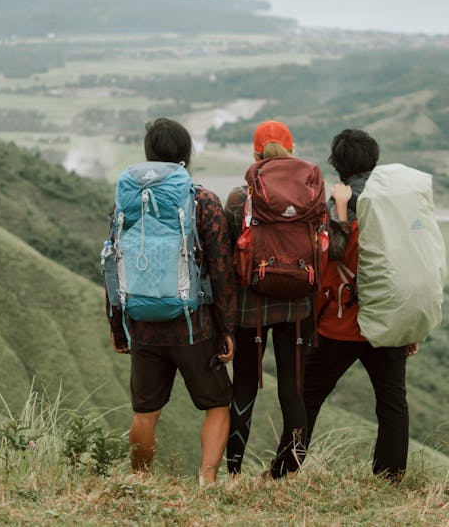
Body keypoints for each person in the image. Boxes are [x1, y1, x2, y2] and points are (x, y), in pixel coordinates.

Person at [106, 117, 237, 485]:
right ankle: (207, 482)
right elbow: (222, 269)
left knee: (145, 412)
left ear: (148, 155)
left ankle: (140, 481)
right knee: (216, 404)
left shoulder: (126, 207)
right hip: (193, 326)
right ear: (185, 156)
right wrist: (227, 328)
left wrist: (118, 325)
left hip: (143, 326)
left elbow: (113, 267)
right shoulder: (203, 202)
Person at [303, 128, 419, 483]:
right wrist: (409, 323)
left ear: (338, 165)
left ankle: (285, 468)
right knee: (392, 404)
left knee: (306, 396)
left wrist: (339, 208)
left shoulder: (342, 202)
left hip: (342, 321)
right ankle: (389, 478)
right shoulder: (397, 202)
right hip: (388, 318)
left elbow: (332, 254)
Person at [223, 120, 316, 478]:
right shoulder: (312, 198)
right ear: (292, 151)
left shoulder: (239, 197)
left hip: (251, 310)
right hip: (298, 308)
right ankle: (285, 473)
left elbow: (227, 254)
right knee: (292, 392)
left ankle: (232, 473)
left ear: (255, 154)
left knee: (244, 387)